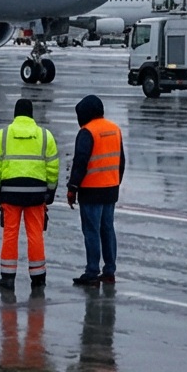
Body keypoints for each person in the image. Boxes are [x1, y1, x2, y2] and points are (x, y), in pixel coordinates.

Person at [0, 97, 59, 293]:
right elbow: (53, 167)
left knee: (10, 233)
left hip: (10, 192)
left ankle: (8, 278)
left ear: (15, 114)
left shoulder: (3, 135)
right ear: (32, 114)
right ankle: (38, 278)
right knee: (35, 234)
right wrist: (50, 191)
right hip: (36, 193)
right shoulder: (45, 136)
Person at [66, 94, 122, 285]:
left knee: (91, 231)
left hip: (91, 190)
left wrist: (72, 188)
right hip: (111, 189)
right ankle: (109, 270)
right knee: (107, 229)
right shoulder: (115, 129)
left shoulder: (87, 132)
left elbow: (80, 162)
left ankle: (92, 272)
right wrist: (115, 181)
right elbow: (121, 161)